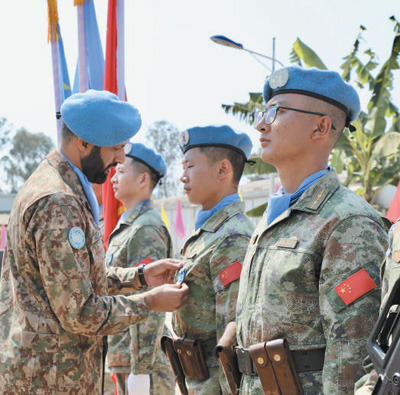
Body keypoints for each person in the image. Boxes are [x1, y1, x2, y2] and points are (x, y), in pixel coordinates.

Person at [0, 90, 189, 394]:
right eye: (115, 148)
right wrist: (150, 302)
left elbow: (76, 279)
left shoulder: (58, 186)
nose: (120, 159)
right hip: (49, 381)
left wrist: (140, 276)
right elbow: (81, 312)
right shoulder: (58, 201)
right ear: (84, 142)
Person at [233, 66, 388, 394]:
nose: (261, 123)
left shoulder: (347, 223)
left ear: (321, 127)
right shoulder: (272, 219)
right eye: (264, 112)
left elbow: (351, 358)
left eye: (277, 112)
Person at [169, 125, 255, 394]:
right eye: (182, 168)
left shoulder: (233, 236)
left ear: (222, 170)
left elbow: (232, 338)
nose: (183, 177)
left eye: (190, 166)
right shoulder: (208, 232)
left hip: (214, 385)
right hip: (195, 379)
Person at [106, 142, 174, 395]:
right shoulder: (129, 224)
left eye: (121, 172)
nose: (113, 177)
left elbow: (152, 302)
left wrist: (141, 368)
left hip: (143, 361)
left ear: (143, 179)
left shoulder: (145, 227)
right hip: (124, 353)